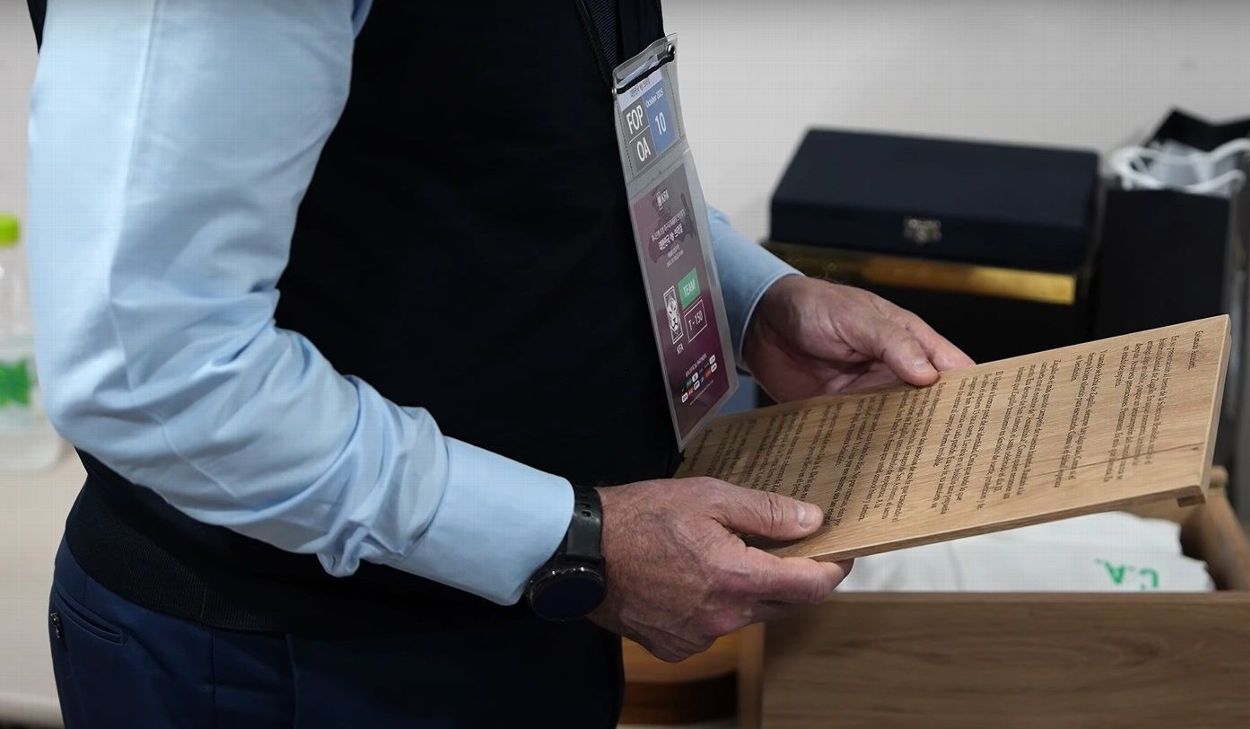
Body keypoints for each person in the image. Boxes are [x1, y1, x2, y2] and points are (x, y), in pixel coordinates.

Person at [25, 1, 972, 727]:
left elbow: (514, 156)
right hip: (293, 662)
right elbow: (148, 367)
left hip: (538, 606)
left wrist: (749, 299)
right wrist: (576, 543)